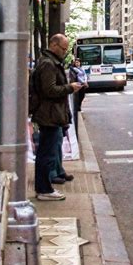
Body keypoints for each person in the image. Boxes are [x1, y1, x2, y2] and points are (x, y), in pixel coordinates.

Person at [32, 34, 82, 201]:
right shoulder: (48, 64)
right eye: (63, 49)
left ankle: (45, 188)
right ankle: (44, 189)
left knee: (47, 152)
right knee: (47, 153)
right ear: (53, 45)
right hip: (49, 115)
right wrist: (70, 87)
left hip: (51, 114)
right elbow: (50, 90)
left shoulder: (49, 62)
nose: (64, 52)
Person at [69, 58, 88, 137]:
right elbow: (78, 77)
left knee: (82, 96)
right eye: (76, 62)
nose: (77, 63)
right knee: (79, 96)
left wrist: (86, 81)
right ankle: (78, 107)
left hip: (83, 84)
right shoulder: (74, 70)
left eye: (78, 62)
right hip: (79, 85)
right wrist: (83, 82)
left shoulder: (81, 69)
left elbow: (85, 75)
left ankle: (79, 106)